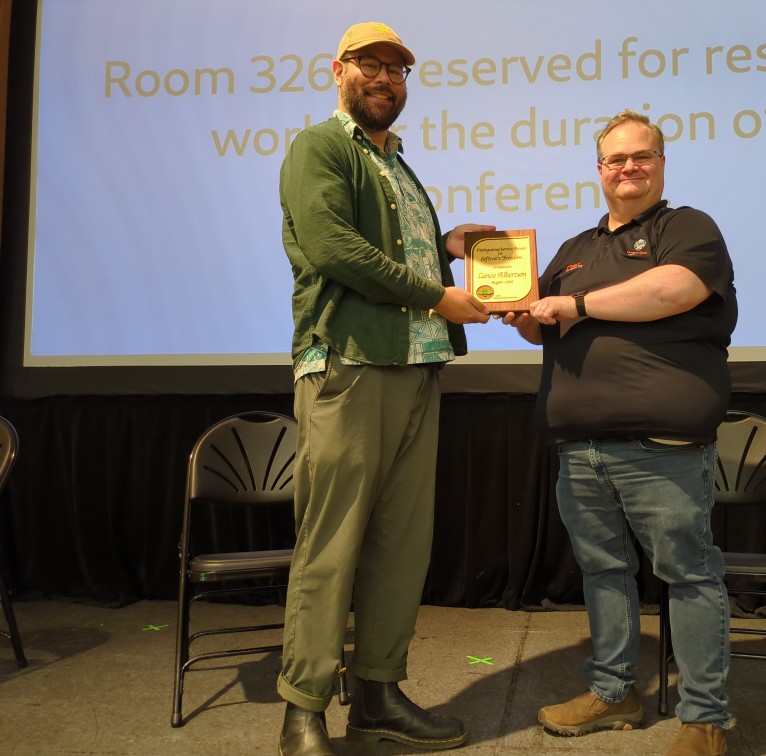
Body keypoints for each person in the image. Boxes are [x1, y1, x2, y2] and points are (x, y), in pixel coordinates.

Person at [276, 21, 492, 756]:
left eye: (396, 70)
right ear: (337, 70)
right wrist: (437, 295)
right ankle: (303, 710)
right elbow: (335, 248)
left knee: (401, 545)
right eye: (369, 64)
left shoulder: (397, 164)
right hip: (349, 365)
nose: (384, 79)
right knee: (330, 544)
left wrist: (449, 249)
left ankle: (377, 695)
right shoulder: (321, 146)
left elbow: (398, 255)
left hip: (416, 366)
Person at [502, 109, 738, 756]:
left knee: (688, 574)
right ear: (599, 169)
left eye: (641, 156)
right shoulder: (573, 249)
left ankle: (704, 718)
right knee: (603, 571)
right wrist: (522, 313)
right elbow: (541, 324)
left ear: (661, 163)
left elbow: (671, 291)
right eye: (615, 159)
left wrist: (574, 304)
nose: (628, 167)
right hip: (580, 448)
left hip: (662, 445)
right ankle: (613, 692)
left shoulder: (686, 228)